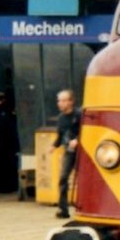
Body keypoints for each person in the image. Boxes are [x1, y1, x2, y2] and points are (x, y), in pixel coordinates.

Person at [52, 89, 81, 219]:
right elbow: (60, 135)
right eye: (59, 101)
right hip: (69, 152)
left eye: (63, 100)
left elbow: (89, 131)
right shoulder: (61, 118)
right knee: (63, 178)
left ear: (71, 102)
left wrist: (78, 140)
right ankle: (63, 209)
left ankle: (84, 207)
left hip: (83, 151)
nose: (60, 103)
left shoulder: (80, 115)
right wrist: (54, 146)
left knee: (83, 179)